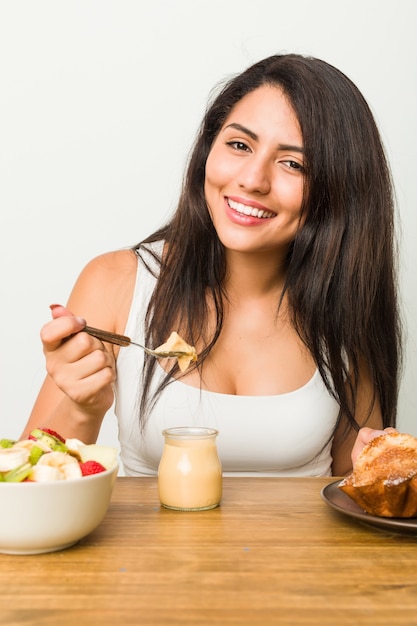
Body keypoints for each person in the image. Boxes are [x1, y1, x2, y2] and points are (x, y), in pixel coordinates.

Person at [22, 53, 402, 477]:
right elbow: (21, 490)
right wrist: (81, 406)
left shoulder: (345, 308)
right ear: (208, 148)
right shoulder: (119, 282)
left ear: (338, 190)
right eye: (239, 145)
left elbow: (357, 496)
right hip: (149, 547)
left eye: (293, 163)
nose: (253, 179)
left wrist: (383, 474)